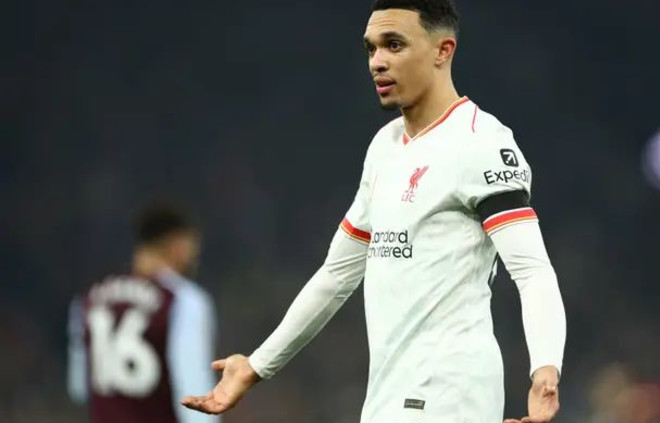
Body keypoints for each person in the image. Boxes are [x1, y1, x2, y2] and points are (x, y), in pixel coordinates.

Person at [182, 1, 566, 422]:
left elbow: (531, 270)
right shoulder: (385, 147)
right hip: (387, 394)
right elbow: (337, 273)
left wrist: (545, 370)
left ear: (443, 50)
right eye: (371, 48)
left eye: (394, 45)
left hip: (448, 393)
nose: (377, 62)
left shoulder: (481, 143)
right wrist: (257, 365)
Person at [68, 204, 220, 423]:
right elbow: (195, 390)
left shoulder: (88, 299)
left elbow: (79, 388)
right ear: (178, 244)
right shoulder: (183, 299)